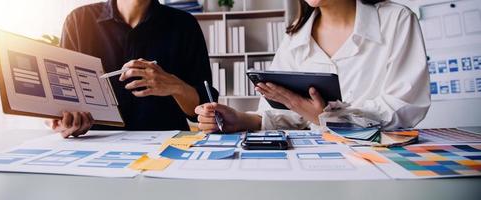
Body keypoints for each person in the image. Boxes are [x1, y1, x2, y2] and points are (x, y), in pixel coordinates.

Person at [195, 0, 430, 132]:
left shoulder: (396, 20)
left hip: (383, 164)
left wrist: (327, 117)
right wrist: (240, 119)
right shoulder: (295, 37)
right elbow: (281, 115)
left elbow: (405, 106)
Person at [49, 0, 217, 138]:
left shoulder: (184, 24)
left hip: (166, 147)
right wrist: (66, 120)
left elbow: (203, 108)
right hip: (93, 145)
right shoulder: (79, 21)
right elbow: (62, 101)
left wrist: (175, 86)